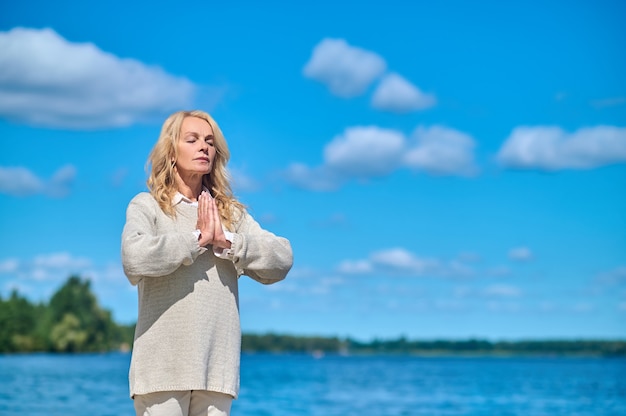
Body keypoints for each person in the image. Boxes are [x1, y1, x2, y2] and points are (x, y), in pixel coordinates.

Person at [121, 110, 293, 416]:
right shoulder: (147, 206)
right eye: (192, 139)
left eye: (210, 142)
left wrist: (226, 240)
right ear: (171, 150)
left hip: (217, 374)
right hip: (162, 371)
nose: (204, 147)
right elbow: (134, 258)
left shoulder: (230, 215)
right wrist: (198, 239)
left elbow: (282, 259)